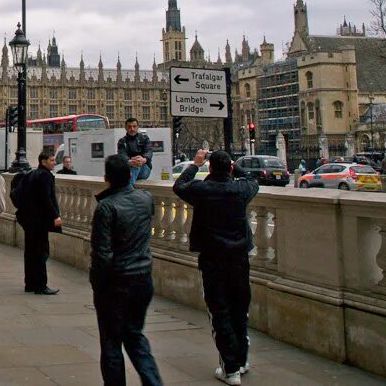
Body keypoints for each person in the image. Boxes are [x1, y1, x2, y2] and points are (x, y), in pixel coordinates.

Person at [173, 150, 259, 385]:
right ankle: (241, 361)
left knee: (219, 312)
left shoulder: (202, 190)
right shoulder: (241, 190)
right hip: (239, 257)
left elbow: (179, 185)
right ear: (230, 168)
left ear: (209, 169)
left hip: (212, 258)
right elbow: (253, 180)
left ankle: (230, 368)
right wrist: (235, 166)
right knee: (240, 310)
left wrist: (194, 164)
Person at [90, 155, 163, 386]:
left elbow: (102, 254)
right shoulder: (146, 198)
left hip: (116, 282)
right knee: (135, 335)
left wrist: (98, 284)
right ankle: (153, 382)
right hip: (143, 279)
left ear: (106, 178)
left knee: (111, 342)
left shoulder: (106, 207)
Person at [17, 151, 62, 295]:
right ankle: (41, 285)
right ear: (43, 162)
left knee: (30, 251)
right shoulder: (45, 176)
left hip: (28, 219)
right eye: (52, 160)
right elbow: (46, 198)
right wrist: (55, 215)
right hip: (39, 220)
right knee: (41, 252)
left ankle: (29, 283)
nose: (54, 163)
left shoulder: (31, 174)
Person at [118, 117, 153, 185]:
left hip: (144, 168)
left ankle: (128, 191)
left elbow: (149, 151)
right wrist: (129, 161)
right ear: (125, 128)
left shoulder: (144, 139)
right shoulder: (122, 141)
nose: (132, 129)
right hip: (128, 168)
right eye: (129, 127)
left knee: (136, 164)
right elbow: (122, 154)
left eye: (134, 126)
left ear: (137, 127)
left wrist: (143, 159)